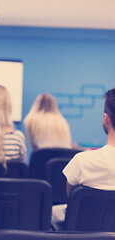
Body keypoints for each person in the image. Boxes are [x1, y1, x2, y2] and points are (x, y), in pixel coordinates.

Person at [51, 87, 115, 230]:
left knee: (52, 213)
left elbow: (71, 200)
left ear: (106, 119)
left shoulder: (83, 161)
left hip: (84, 232)